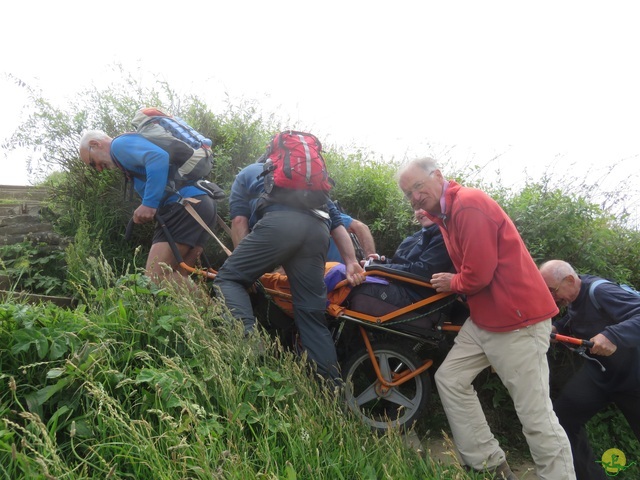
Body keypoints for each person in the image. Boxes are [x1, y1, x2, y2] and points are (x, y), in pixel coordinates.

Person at [398, 157, 575, 480]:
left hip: (518, 321)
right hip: (485, 319)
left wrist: (452, 282)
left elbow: (478, 274)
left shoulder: (468, 205)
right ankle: (488, 463)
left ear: (437, 176)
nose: (414, 197)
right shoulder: (445, 216)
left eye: (418, 187)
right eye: (408, 194)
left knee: (535, 417)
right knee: (450, 379)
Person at [213, 161, 364, 385]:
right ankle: (331, 392)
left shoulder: (249, 173)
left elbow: (238, 221)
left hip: (280, 225)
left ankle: (250, 349)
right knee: (312, 316)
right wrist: (351, 261)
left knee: (229, 279)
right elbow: (337, 224)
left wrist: (248, 270)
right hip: (317, 231)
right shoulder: (311, 183)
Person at [539, 259, 640, 480]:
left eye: (552, 292)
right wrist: (558, 328)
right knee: (563, 418)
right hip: (602, 373)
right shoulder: (574, 296)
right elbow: (577, 316)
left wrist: (613, 335)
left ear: (569, 280)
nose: (552, 298)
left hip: (634, 375)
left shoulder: (601, 291)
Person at [79, 130, 217, 285]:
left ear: (95, 144)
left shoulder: (118, 145)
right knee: (178, 278)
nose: (98, 169)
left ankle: (219, 309)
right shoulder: (128, 146)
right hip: (202, 203)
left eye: (92, 163)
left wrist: (149, 204)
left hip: (185, 206)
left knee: (155, 278)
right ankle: (214, 308)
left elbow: (157, 157)